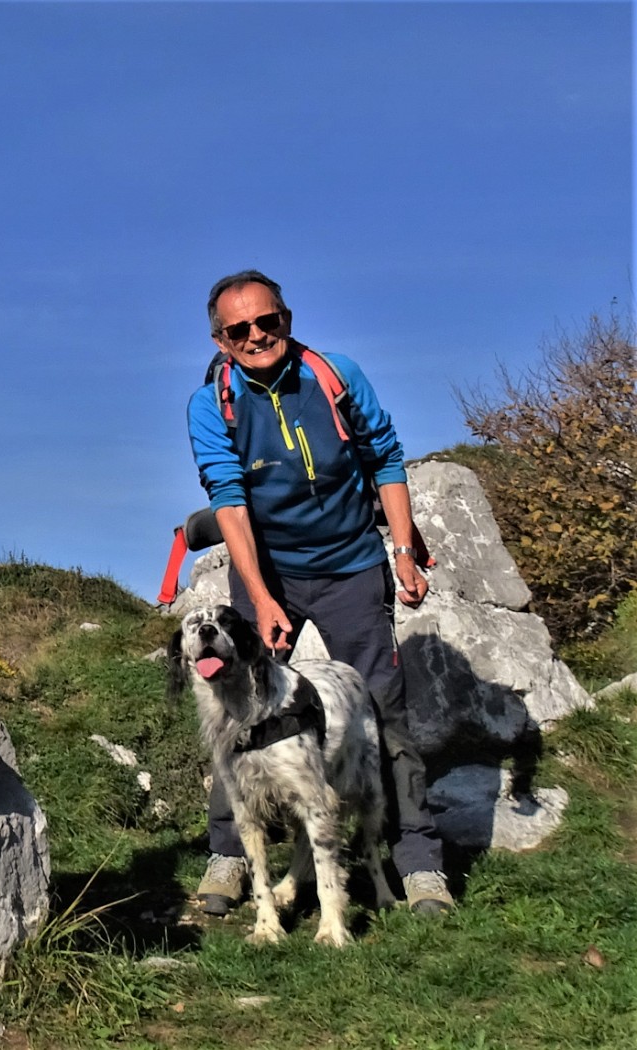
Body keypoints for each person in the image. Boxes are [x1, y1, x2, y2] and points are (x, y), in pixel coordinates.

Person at [185, 270, 453, 915]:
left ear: (287, 317)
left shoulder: (336, 376)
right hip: (266, 571)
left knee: (384, 713)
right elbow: (230, 502)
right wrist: (263, 597)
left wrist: (405, 549)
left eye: (266, 321)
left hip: (353, 566)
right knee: (236, 712)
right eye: (239, 329)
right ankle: (229, 857)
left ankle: (418, 863)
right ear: (220, 339)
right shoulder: (210, 404)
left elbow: (384, 458)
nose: (256, 336)